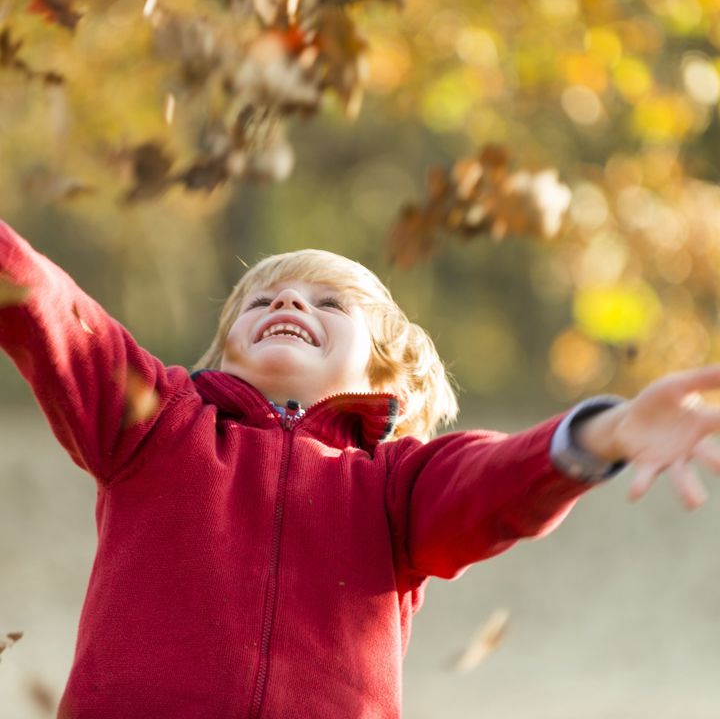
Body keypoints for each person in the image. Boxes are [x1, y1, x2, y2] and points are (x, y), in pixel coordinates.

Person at [1, 218, 718, 719]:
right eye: (262, 299)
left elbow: (492, 480)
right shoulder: (158, 425)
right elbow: (53, 311)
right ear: (219, 356)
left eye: (328, 303)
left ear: (386, 368)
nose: (286, 302)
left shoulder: (398, 488)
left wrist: (604, 430)